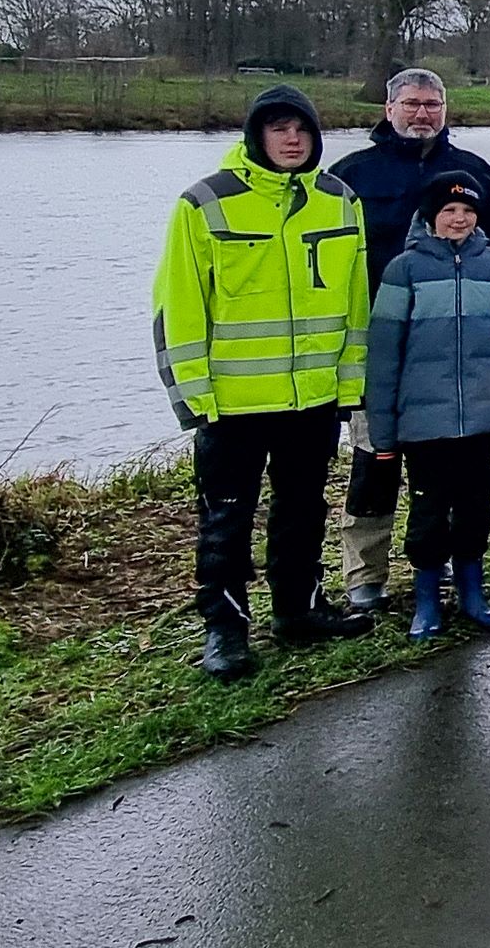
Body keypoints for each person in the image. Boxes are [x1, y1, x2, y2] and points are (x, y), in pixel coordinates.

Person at [152, 85, 374, 682]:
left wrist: (349, 386)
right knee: (226, 520)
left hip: (313, 398)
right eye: (278, 129)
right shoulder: (206, 204)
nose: (292, 139)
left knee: (303, 510)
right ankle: (225, 632)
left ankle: (298, 611)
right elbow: (177, 306)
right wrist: (195, 398)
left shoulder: (339, 200)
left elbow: (355, 306)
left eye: (301, 129)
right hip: (234, 402)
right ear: (257, 136)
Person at [329, 67, 490, 614]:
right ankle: (365, 575)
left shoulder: (474, 172)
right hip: (379, 346)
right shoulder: (349, 175)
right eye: (411, 104)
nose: (422, 113)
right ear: (388, 108)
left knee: (450, 471)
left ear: (445, 109)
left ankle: (444, 561)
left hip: (451, 353)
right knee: (374, 463)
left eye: (431, 104)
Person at [364, 172, 490, 640]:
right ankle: (427, 600)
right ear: (431, 216)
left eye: (467, 212)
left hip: (479, 417)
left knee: (476, 505)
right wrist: (383, 429)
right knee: (429, 510)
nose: (459, 220)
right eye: (449, 212)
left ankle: (473, 592)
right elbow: (385, 354)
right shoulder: (403, 270)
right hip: (424, 421)